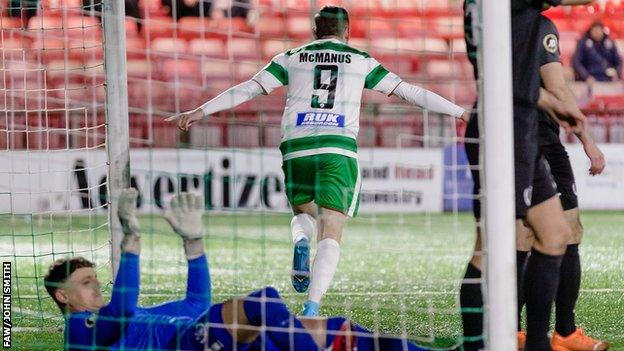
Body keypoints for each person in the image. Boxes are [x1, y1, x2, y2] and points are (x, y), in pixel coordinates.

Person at [166, 5, 467, 317]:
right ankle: (312, 307)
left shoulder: (292, 55)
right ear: (346, 32)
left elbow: (249, 88)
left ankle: (300, 239)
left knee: (304, 210)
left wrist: (199, 111)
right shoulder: (361, 60)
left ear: (315, 32)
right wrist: (460, 112)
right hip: (337, 145)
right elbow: (410, 92)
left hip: (296, 145)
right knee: (332, 228)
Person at [45, 189, 458, 351]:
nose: (96, 286)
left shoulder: (136, 316)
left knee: (342, 332)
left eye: (96, 278)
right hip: (185, 347)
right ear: (63, 296)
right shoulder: (78, 334)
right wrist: (131, 246)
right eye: (85, 283)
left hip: (203, 337)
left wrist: (194, 244)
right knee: (262, 302)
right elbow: (116, 316)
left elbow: (195, 303)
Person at [460, 1, 590, 350]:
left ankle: (537, 343)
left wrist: (551, 103)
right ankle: (477, 344)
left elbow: (510, 76)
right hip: (503, 130)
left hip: (521, 123)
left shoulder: (496, 9)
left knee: (555, 234)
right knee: (489, 247)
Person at [515, 13, 610, 351]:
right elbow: (555, 87)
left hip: (505, 133)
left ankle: (510, 331)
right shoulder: (539, 25)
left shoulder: (495, 21)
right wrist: (587, 139)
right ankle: (564, 334)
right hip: (538, 136)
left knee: (520, 235)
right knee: (566, 230)